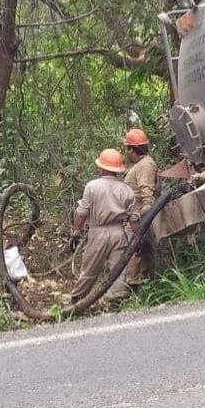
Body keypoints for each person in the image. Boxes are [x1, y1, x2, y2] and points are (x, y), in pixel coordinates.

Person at [68, 148, 138, 303]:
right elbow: (134, 221)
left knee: (90, 269)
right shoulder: (126, 190)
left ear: (101, 167)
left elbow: (82, 213)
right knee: (118, 270)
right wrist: (136, 240)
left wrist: (75, 232)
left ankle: (76, 301)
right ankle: (116, 299)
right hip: (119, 234)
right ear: (118, 169)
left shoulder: (92, 187)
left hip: (98, 233)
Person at [104, 128, 159, 302]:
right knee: (132, 256)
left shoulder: (145, 165)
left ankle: (133, 296)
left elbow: (146, 193)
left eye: (128, 148)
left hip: (138, 220)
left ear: (133, 150)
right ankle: (135, 294)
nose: (127, 152)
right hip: (132, 219)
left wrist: (141, 219)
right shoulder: (140, 165)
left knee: (132, 255)